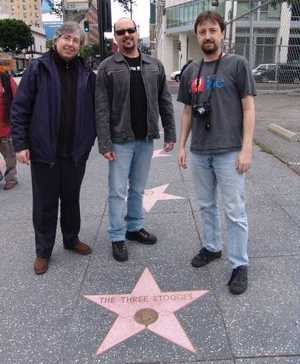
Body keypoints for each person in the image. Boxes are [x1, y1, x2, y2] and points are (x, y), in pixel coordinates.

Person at [177, 11, 256, 295]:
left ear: (222, 33)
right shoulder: (190, 71)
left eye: (212, 30)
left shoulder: (237, 65)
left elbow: (248, 107)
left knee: (234, 210)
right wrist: (182, 146)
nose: (207, 36)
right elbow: (187, 111)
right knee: (206, 205)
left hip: (229, 151)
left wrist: (247, 148)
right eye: (202, 32)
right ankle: (212, 247)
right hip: (200, 151)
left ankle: (239, 264)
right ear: (197, 36)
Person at [11, 22, 96, 275]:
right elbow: (20, 108)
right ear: (56, 40)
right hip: (44, 151)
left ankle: (71, 239)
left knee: (71, 200)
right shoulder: (38, 68)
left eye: (76, 41)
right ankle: (43, 251)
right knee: (45, 203)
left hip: (74, 152)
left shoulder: (86, 72)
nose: (70, 44)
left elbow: (93, 110)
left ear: (80, 46)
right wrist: (21, 144)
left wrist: (89, 140)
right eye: (66, 38)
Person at [95, 18, 176, 262]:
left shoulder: (154, 65)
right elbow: (101, 108)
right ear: (115, 37)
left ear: (136, 32)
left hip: (145, 139)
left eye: (130, 30)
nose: (127, 35)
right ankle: (117, 236)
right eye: (121, 32)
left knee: (138, 189)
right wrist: (105, 143)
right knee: (118, 191)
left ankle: (134, 228)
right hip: (120, 140)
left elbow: (164, 100)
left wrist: (170, 132)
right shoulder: (107, 67)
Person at [0, 54, 18, 190]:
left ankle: (11, 177)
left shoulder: (7, 79)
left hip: (5, 126)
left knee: (9, 155)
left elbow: (17, 100)